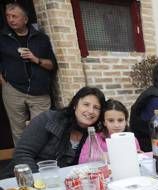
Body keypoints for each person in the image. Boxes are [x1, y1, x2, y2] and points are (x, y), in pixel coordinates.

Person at [10, 87, 105, 173]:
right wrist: (39, 180)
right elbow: (22, 154)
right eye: (86, 104)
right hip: (32, 182)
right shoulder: (48, 119)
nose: (91, 111)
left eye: (96, 108)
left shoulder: (96, 135)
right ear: (75, 105)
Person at [0, 2, 57, 144]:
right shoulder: (2, 38)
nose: (11, 20)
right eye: (8, 16)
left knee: (42, 129)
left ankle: (42, 161)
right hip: (13, 90)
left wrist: (35, 59)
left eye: (15, 16)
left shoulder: (41, 38)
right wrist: (3, 82)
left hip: (39, 92)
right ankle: (23, 163)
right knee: (18, 132)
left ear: (25, 19)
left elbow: (52, 65)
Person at [78, 99, 141, 164]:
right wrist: (102, 156)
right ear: (104, 122)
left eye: (120, 120)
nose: (116, 125)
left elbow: (138, 160)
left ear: (125, 121)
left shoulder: (132, 139)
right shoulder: (95, 138)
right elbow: (82, 161)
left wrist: (139, 155)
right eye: (111, 120)